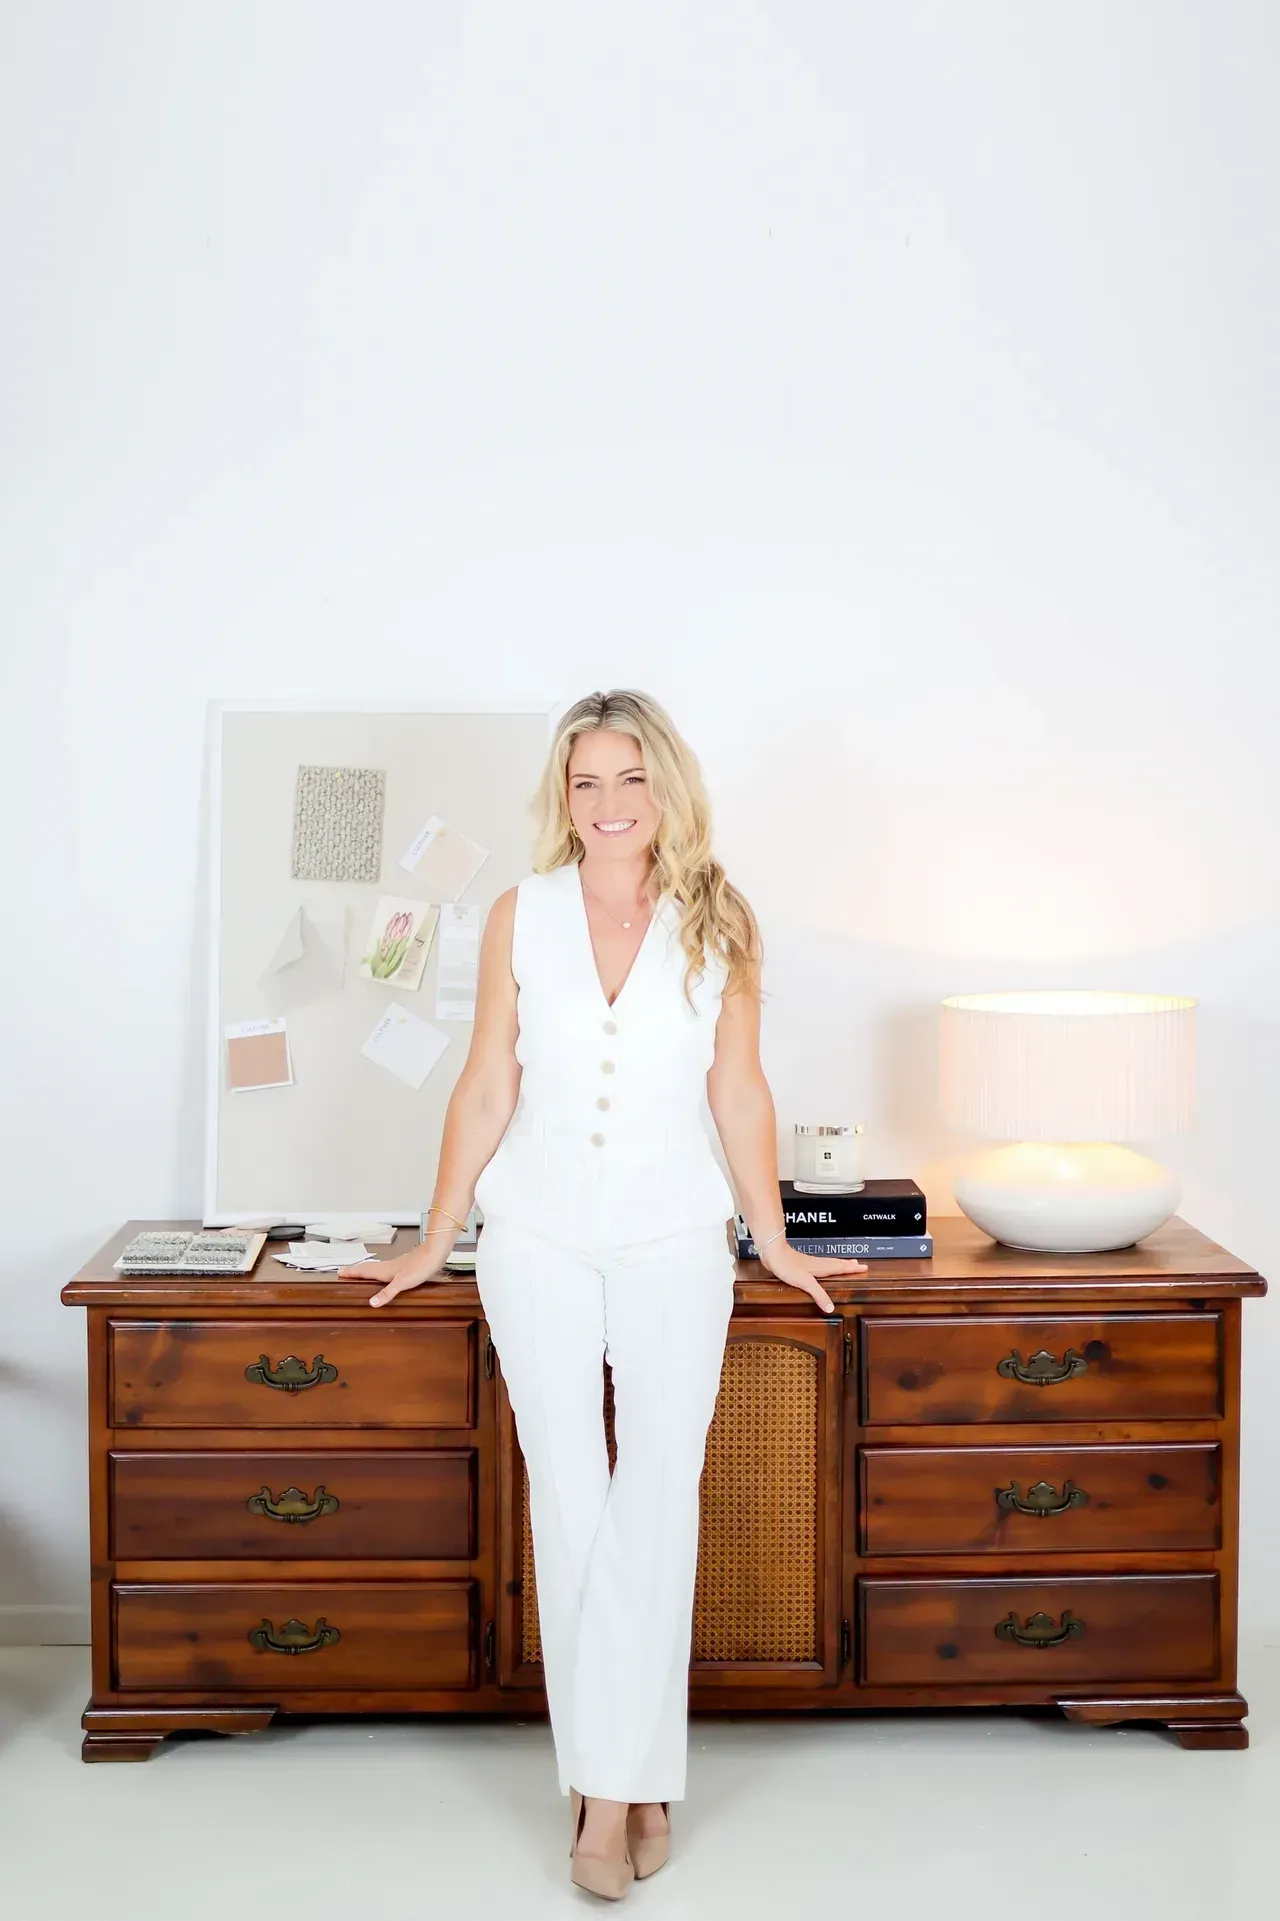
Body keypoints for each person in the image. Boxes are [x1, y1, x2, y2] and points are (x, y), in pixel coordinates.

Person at [340, 689, 867, 1900]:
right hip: (535, 1238)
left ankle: (617, 1784)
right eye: (585, 782)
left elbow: (738, 1090)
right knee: (570, 1494)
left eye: (630, 780)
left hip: (676, 1237)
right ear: (561, 795)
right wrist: (435, 1235)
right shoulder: (517, 916)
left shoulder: (718, 920)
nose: (608, 804)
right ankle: (611, 1785)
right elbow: (485, 1082)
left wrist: (772, 1238)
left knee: (654, 1495)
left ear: (665, 789)